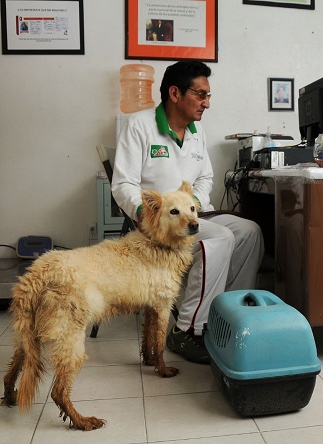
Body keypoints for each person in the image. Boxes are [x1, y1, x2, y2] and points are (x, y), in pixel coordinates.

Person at [112, 61, 265, 363]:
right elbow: (123, 183)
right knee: (219, 238)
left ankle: (227, 317)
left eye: (209, 96)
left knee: (250, 231)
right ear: (175, 93)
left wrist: (192, 204)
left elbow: (206, 177)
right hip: (160, 223)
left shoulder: (197, 132)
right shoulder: (140, 125)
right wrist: (146, 213)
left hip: (193, 215)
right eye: (200, 94)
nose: (207, 103)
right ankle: (187, 330)